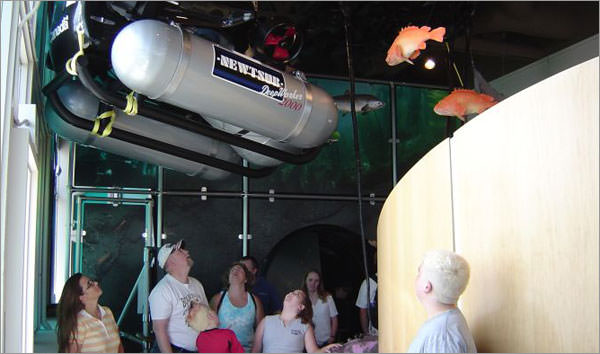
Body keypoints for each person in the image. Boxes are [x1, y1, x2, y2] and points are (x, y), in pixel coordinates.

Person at [407, 249, 477, 353]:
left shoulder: (441, 337)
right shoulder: (444, 325)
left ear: (427, 286)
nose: (416, 277)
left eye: (419, 273)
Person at [148, 239, 209, 353]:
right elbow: (159, 329)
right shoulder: (162, 291)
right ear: (170, 262)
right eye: (180, 251)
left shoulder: (196, 284)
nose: (186, 252)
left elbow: (207, 316)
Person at [251, 289, 342, 353]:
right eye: (292, 292)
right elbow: (255, 351)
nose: (291, 293)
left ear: (301, 307)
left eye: (297, 294)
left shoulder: (305, 326)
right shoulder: (266, 321)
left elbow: (314, 352)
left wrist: (328, 348)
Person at [56, 273, 124, 353]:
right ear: (81, 297)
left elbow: (119, 346)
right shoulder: (79, 323)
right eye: (90, 284)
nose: (96, 283)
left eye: (92, 281)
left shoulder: (107, 312)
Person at [210, 262, 265, 352]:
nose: (235, 270)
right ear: (228, 278)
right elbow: (208, 329)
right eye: (233, 270)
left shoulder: (255, 301)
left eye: (239, 270)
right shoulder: (217, 299)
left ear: (246, 279)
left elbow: (261, 331)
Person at [301, 270, 339, 346]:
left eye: (316, 281)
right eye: (310, 280)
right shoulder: (301, 299)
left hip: (326, 341)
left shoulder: (327, 297)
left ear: (319, 283)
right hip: (307, 343)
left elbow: (334, 318)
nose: (313, 283)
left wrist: (332, 337)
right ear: (305, 281)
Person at [355, 248, 377, 335]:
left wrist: (366, 333)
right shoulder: (369, 283)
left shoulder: (368, 282)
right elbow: (363, 310)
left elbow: (362, 311)